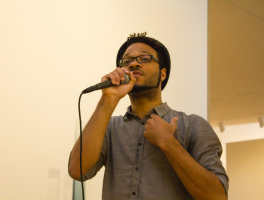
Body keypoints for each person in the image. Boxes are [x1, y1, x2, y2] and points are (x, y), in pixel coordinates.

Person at [68, 32, 229, 200]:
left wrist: (169, 143)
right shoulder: (109, 128)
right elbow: (77, 171)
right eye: (127, 61)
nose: (134, 64)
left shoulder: (193, 125)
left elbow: (217, 196)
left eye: (144, 59)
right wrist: (108, 98)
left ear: (163, 74)